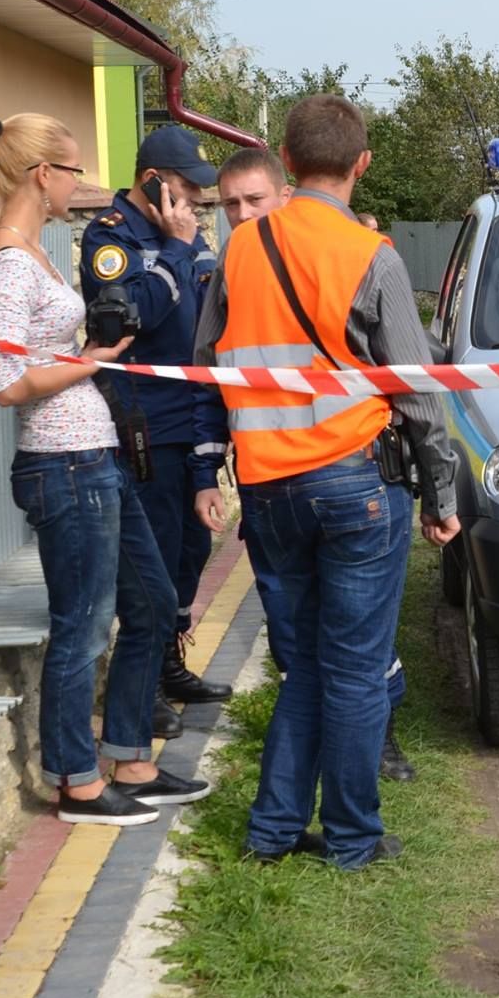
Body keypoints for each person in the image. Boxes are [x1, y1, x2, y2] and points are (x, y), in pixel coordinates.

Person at [194, 95, 460, 869]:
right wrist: (440, 496)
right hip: (354, 486)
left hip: (269, 492)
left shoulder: (238, 251)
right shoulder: (367, 253)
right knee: (352, 670)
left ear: (286, 157)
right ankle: (352, 837)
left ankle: (271, 833)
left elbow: (209, 359)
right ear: (362, 163)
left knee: (305, 666)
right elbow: (417, 389)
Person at [0, 114, 210, 825]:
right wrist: (93, 360)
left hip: (94, 454)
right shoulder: (9, 262)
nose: (83, 182)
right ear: (44, 174)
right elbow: (6, 380)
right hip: (62, 464)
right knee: (82, 625)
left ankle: (130, 758)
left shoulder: (35, 251)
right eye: (73, 169)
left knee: (154, 602)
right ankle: (77, 779)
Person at [192, 150, 417, 783]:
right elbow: (208, 377)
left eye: (252, 201)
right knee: (324, 655)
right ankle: (341, 816)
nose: (240, 216)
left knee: (340, 654)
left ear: (285, 189)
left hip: (301, 482)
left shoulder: (342, 250)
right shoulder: (238, 264)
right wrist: (205, 468)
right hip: (315, 480)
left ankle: (334, 783)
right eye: (229, 205)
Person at [79, 125, 234, 739]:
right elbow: (130, 315)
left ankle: (170, 661)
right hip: (144, 420)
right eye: (185, 188)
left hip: (193, 409)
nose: (194, 201)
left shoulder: (187, 236)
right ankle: (142, 685)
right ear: (151, 181)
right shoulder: (109, 239)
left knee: (192, 548)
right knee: (155, 561)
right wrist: (173, 248)